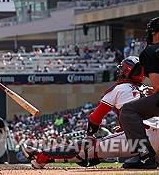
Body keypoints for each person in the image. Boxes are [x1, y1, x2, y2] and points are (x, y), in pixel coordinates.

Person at [21, 56, 159, 169]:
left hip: (143, 139)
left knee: (87, 148)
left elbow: (95, 118)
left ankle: (41, 156)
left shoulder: (119, 89)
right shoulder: (149, 89)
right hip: (154, 134)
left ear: (125, 71)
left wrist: (90, 134)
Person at [119, 17, 159, 169]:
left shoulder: (150, 51)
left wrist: (154, 90)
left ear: (154, 32)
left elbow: (157, 84)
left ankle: (145, 156)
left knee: (128, 111)